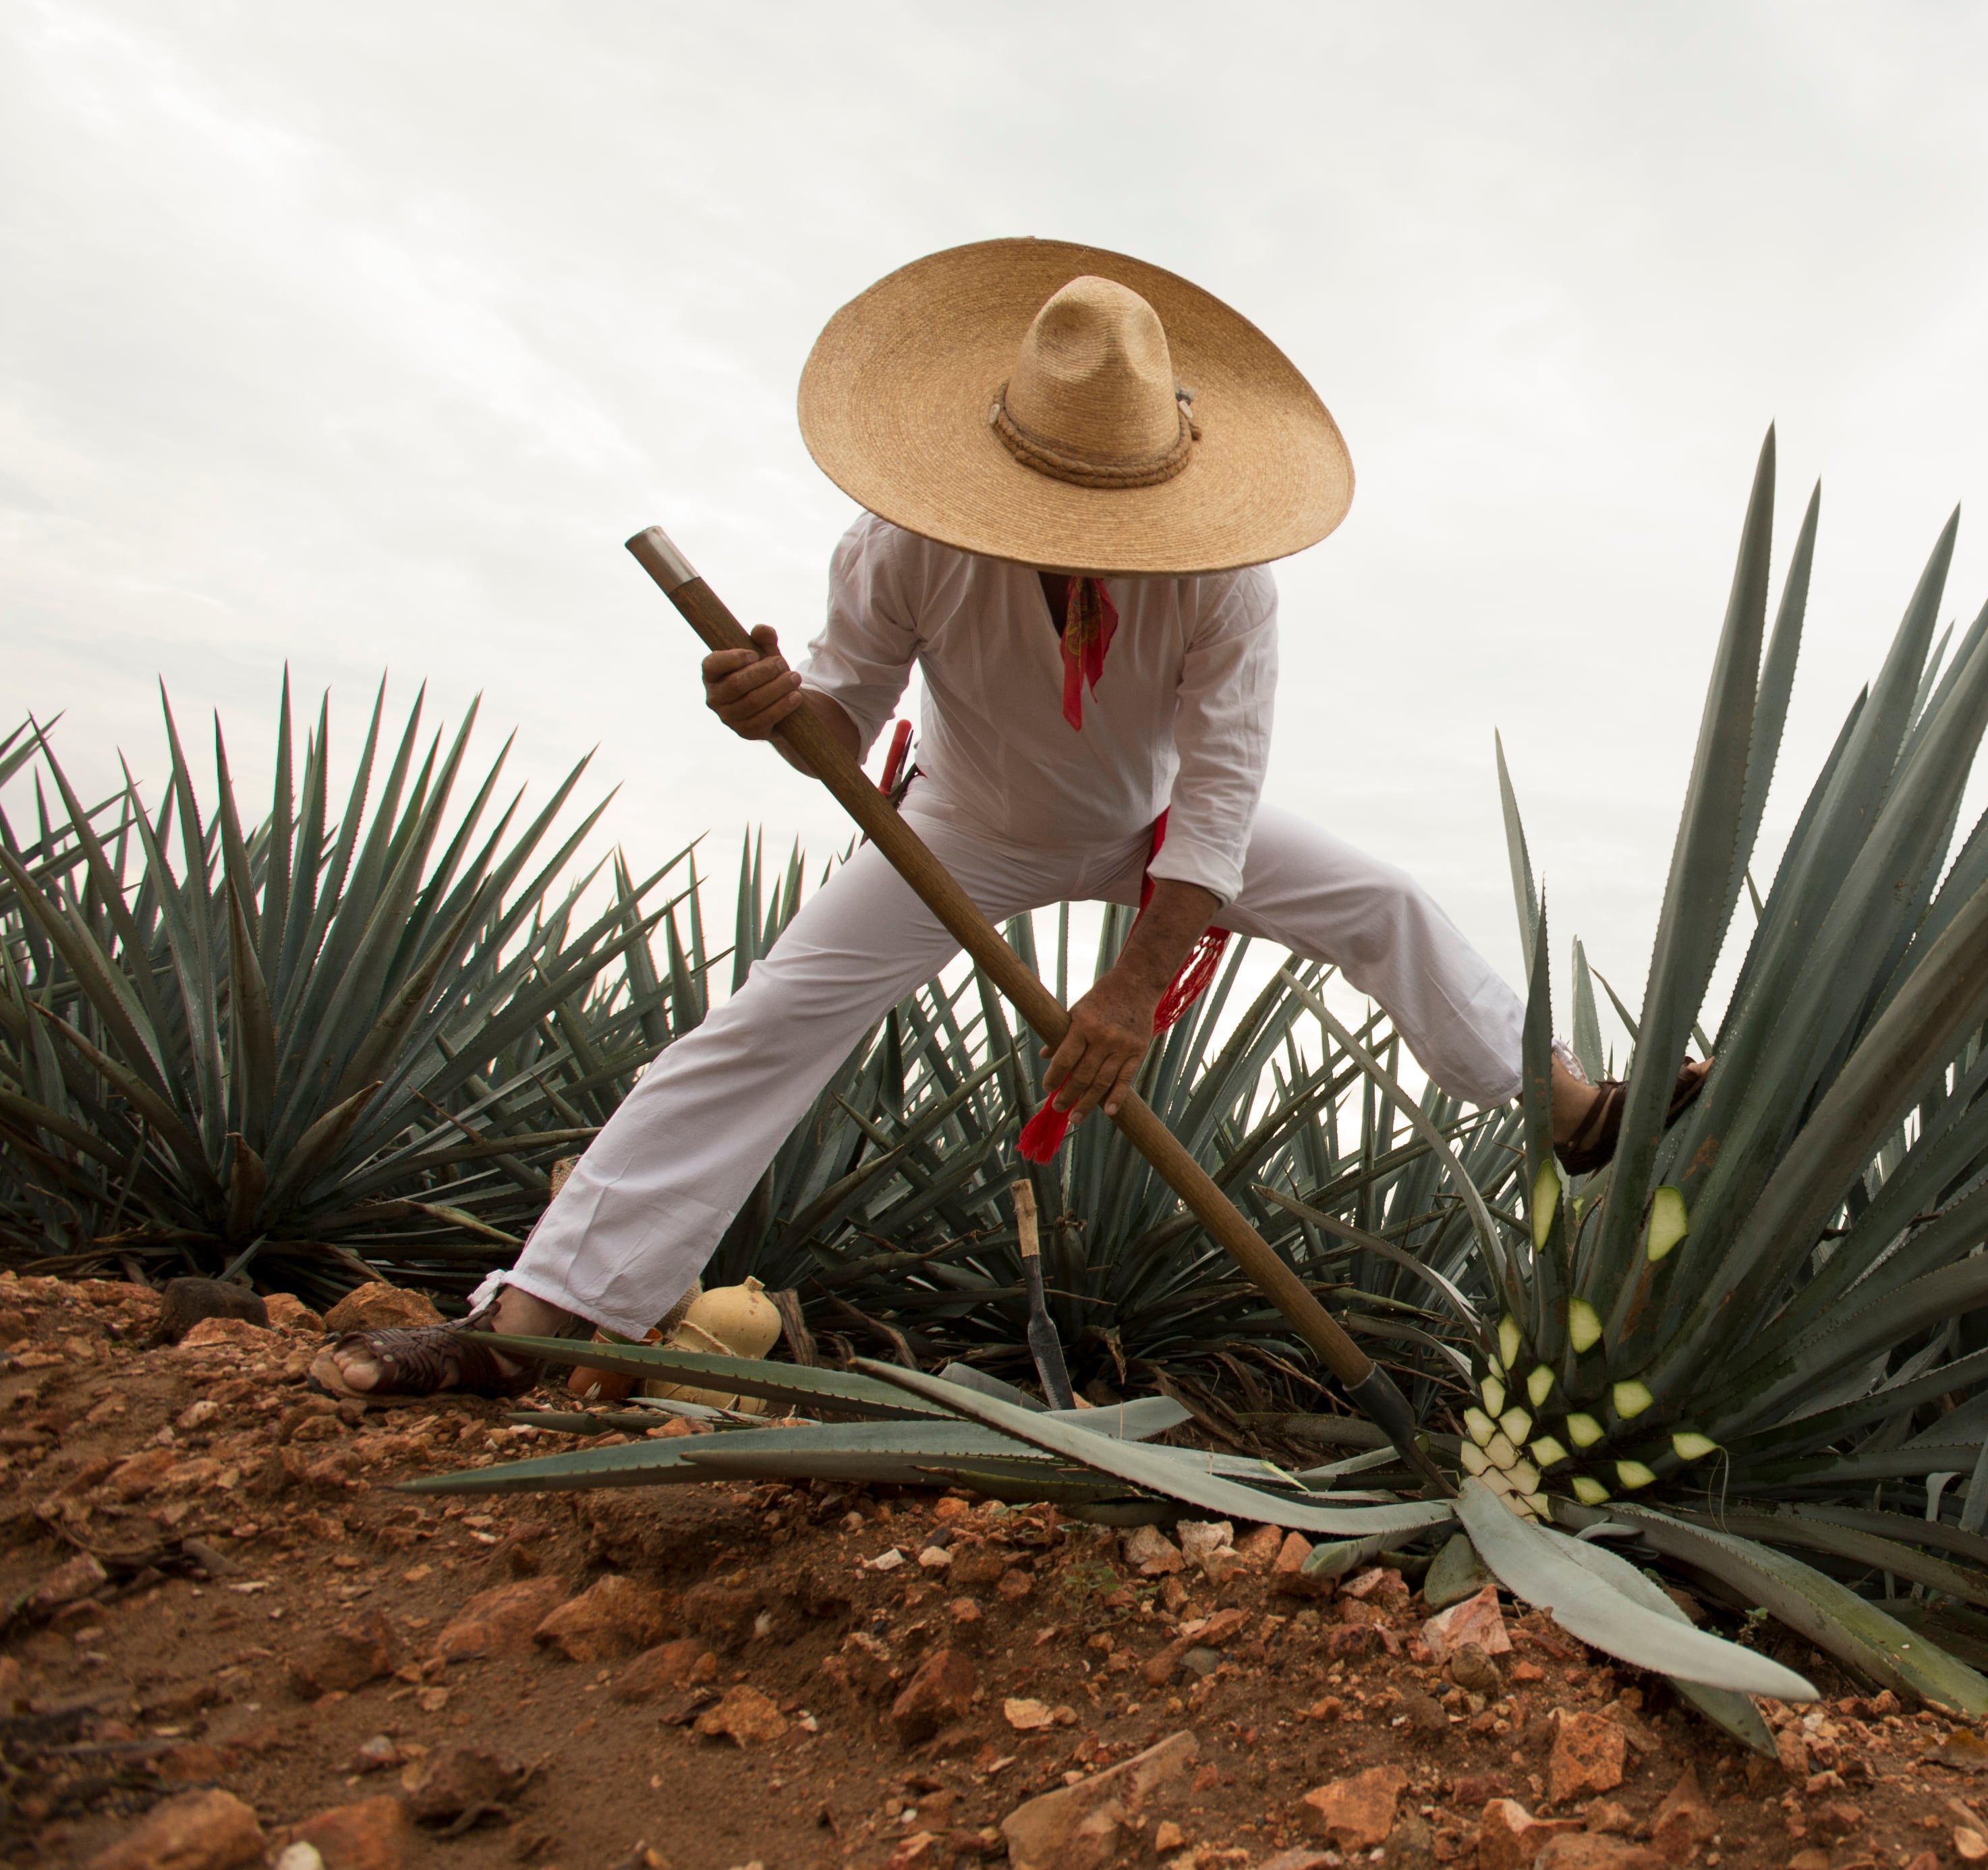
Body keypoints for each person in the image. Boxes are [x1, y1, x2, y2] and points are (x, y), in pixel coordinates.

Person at [315, 238, 1692, 1402]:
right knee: (762, 1027)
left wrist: (1132, 991)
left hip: (1159, 836)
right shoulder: (906, 541)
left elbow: (1217, 793)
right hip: (962, 831)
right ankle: (540, 1320)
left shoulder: (1225, 583)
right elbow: (843, 726)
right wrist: (774, 709)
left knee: (1384, 903)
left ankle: (1567, 1112)